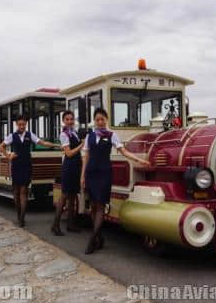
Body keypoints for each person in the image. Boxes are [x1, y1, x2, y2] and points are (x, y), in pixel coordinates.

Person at [80, 107, 151, 254]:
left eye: (102, 119)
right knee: (93, 206)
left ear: (106, 120)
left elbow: (123, 151)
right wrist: (82, 175)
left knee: (100, 206)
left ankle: (92, 240)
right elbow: (85, 157)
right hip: (91, 173)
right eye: (97, 119)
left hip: (105, 173)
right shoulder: (90, 136)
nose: (100, 122)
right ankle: (99, 237)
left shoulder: (112, 135)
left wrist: (139, 160)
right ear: (94, 121)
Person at [0, 114, 59, 227]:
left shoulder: (29, 134)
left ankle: (22, 217)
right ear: (16, 124)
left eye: (24, 124)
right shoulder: (12, 136)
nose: (22, 126)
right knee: (16, 192)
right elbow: (1, 146)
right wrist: (8, 156)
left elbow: (42, 142)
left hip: (26, 165)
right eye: (20, 124)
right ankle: (18, 214)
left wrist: (56, 145)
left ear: (26, 124)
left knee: (23, 191)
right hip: (16, 165)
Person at [51, 110, 84, 236]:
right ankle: (55, 225)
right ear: (63, 121)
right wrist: (81, 145)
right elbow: (68, 153)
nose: (70, 121)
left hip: (76, 166)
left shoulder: (74, 133)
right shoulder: (64, 134)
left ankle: (70, 224)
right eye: (67, 119)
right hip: (69, 167)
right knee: (64, 196)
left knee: (72, 197)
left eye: (72, 119)